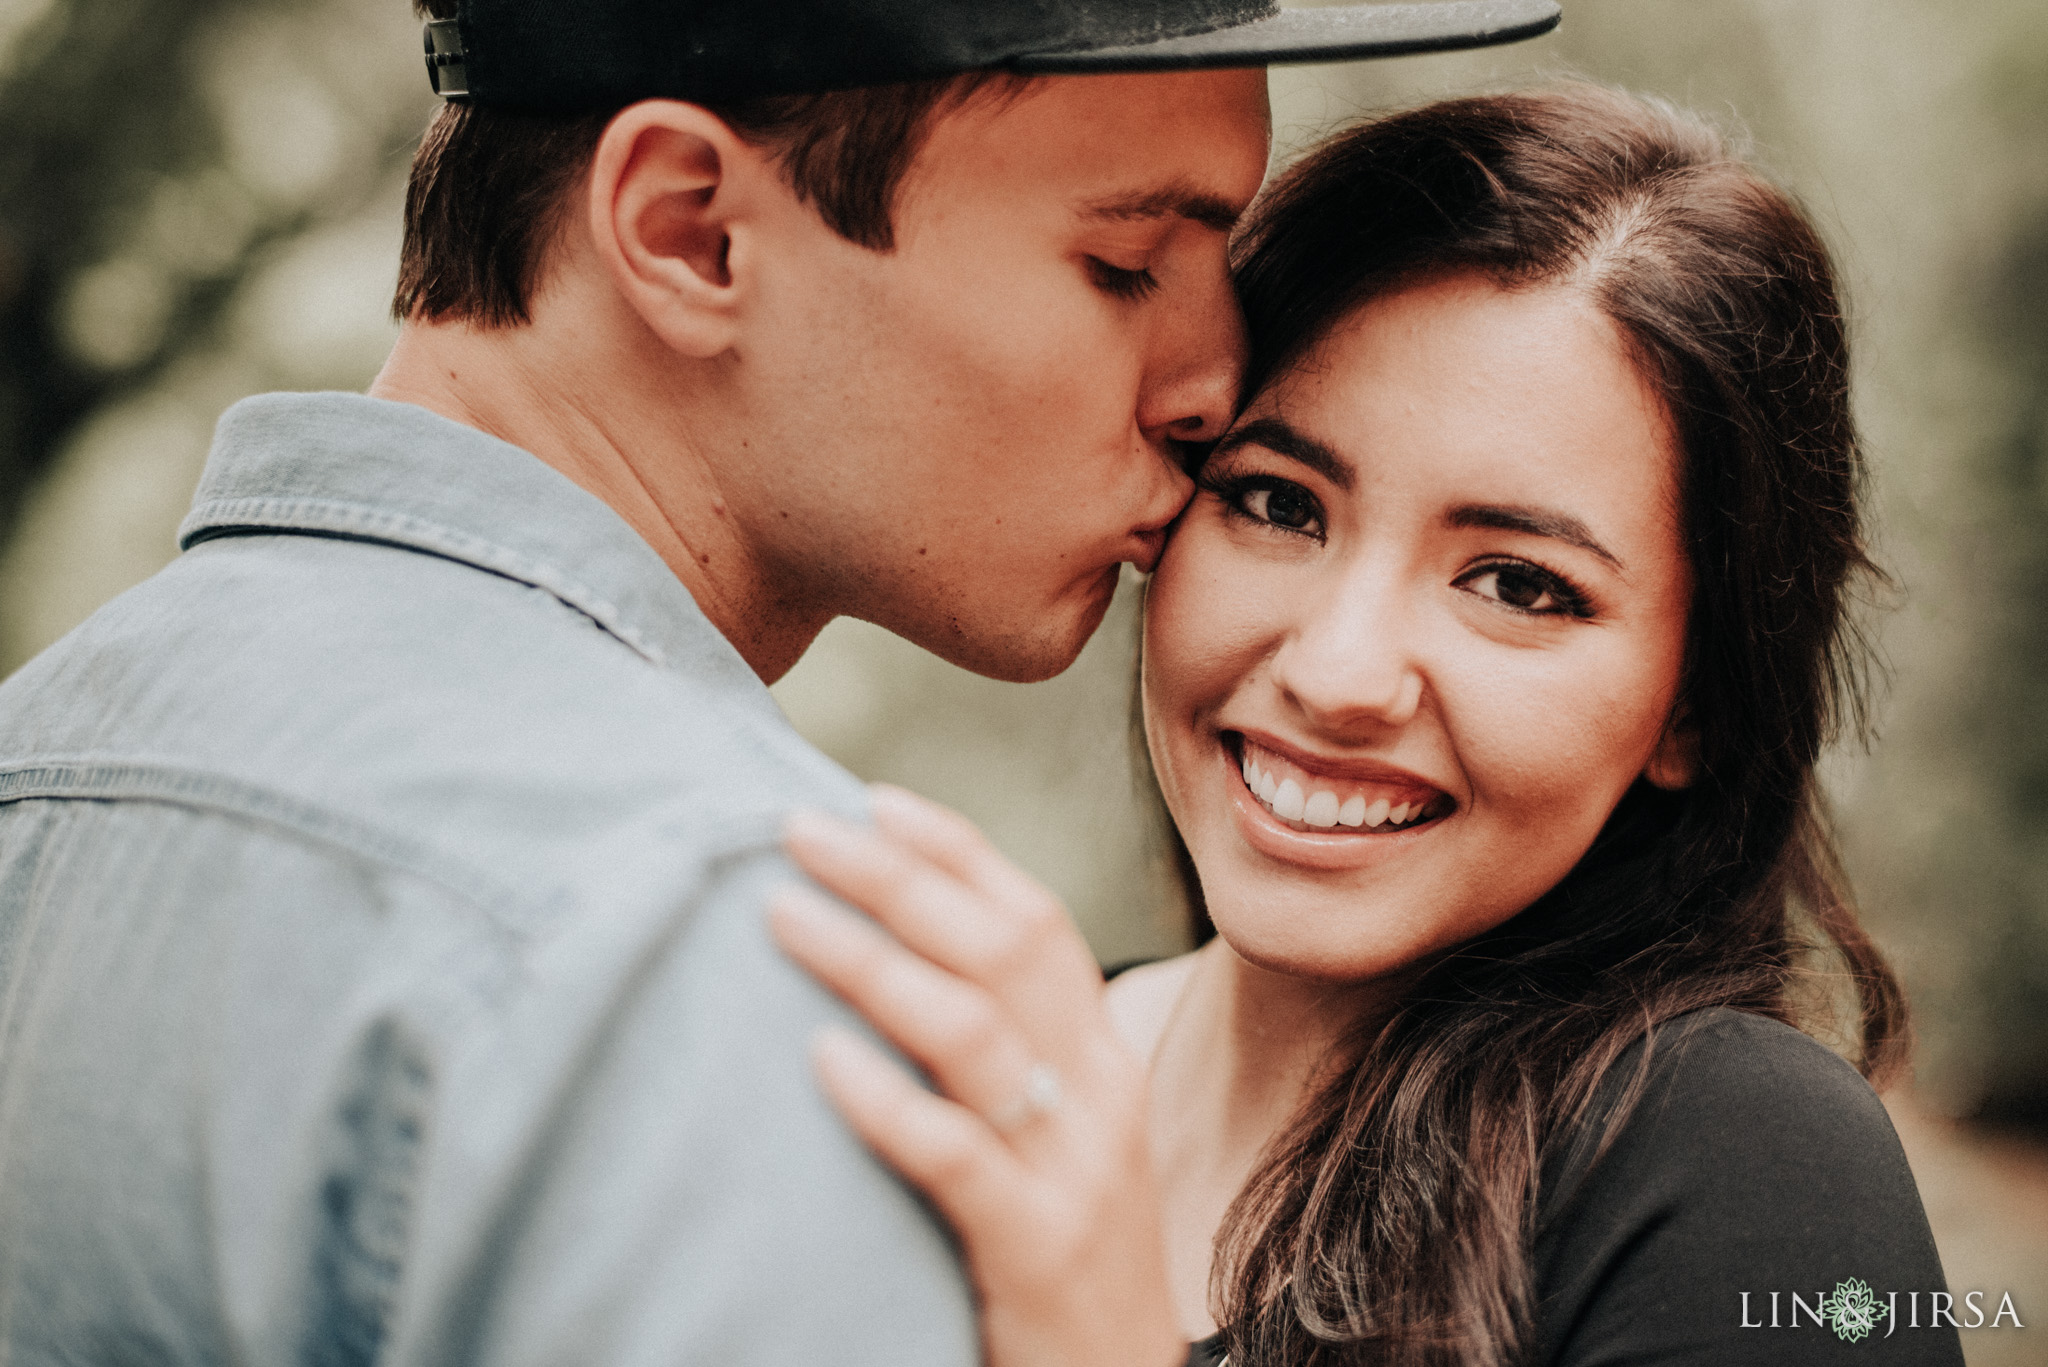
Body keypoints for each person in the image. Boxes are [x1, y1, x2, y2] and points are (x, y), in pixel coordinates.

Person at [0, 2, 1564, 1363]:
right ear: (691, 230)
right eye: (1124, 261)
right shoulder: (762, 960)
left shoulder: (44, 749)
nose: (1217, 387)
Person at [773, 86, 1968, 1367]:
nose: (1339, 671)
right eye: (1279, 503)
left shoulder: (1739, 1165)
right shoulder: (985, 1084)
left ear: (1694, 705)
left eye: (1516, 584)